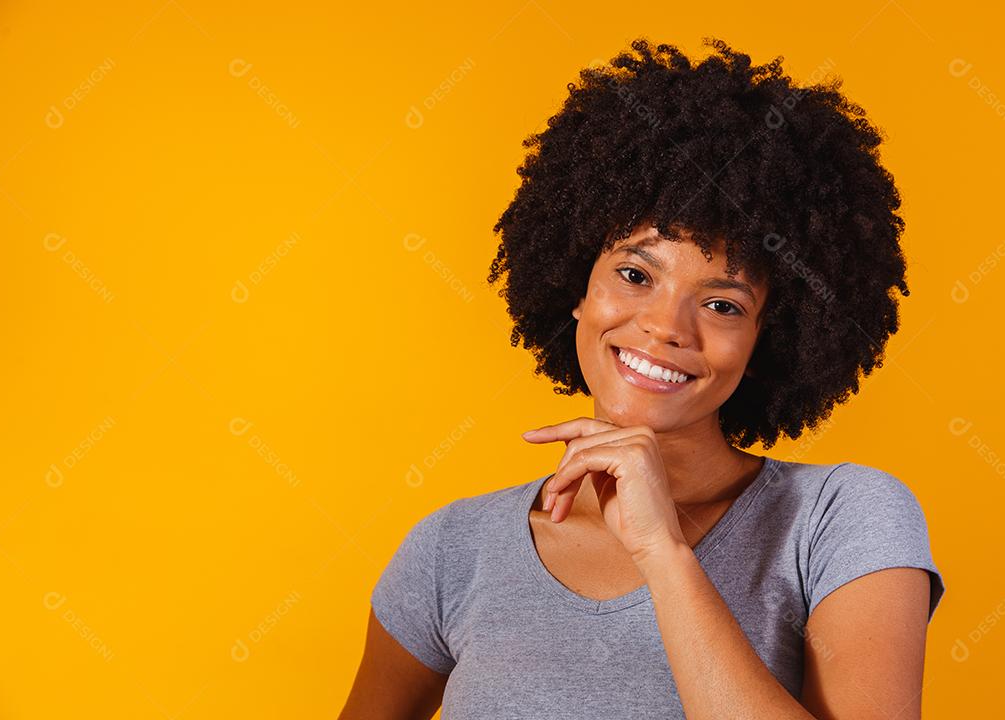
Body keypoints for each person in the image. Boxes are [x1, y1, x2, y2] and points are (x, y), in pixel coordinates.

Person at [338, 36, 945, 719]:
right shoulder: (453, 549)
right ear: (577, 284)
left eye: (722, 304)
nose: (666, 327)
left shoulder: (841, 518)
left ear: (763, 339)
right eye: (635, 274)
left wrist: (662, 551)